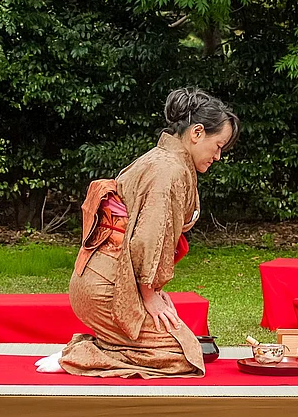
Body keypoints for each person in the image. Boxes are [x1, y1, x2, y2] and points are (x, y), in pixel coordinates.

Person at [36, 87, 239, 378]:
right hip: (108, 289)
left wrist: (152, 289)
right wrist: (148, 293)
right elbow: (149, 236)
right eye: (218, 145)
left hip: (101, 279)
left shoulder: (162, 159)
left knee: (188, 344)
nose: (218, 155)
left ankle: (104, 345)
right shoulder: (168, 170)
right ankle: (79, 355)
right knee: (181, 357)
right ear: (197, 133)